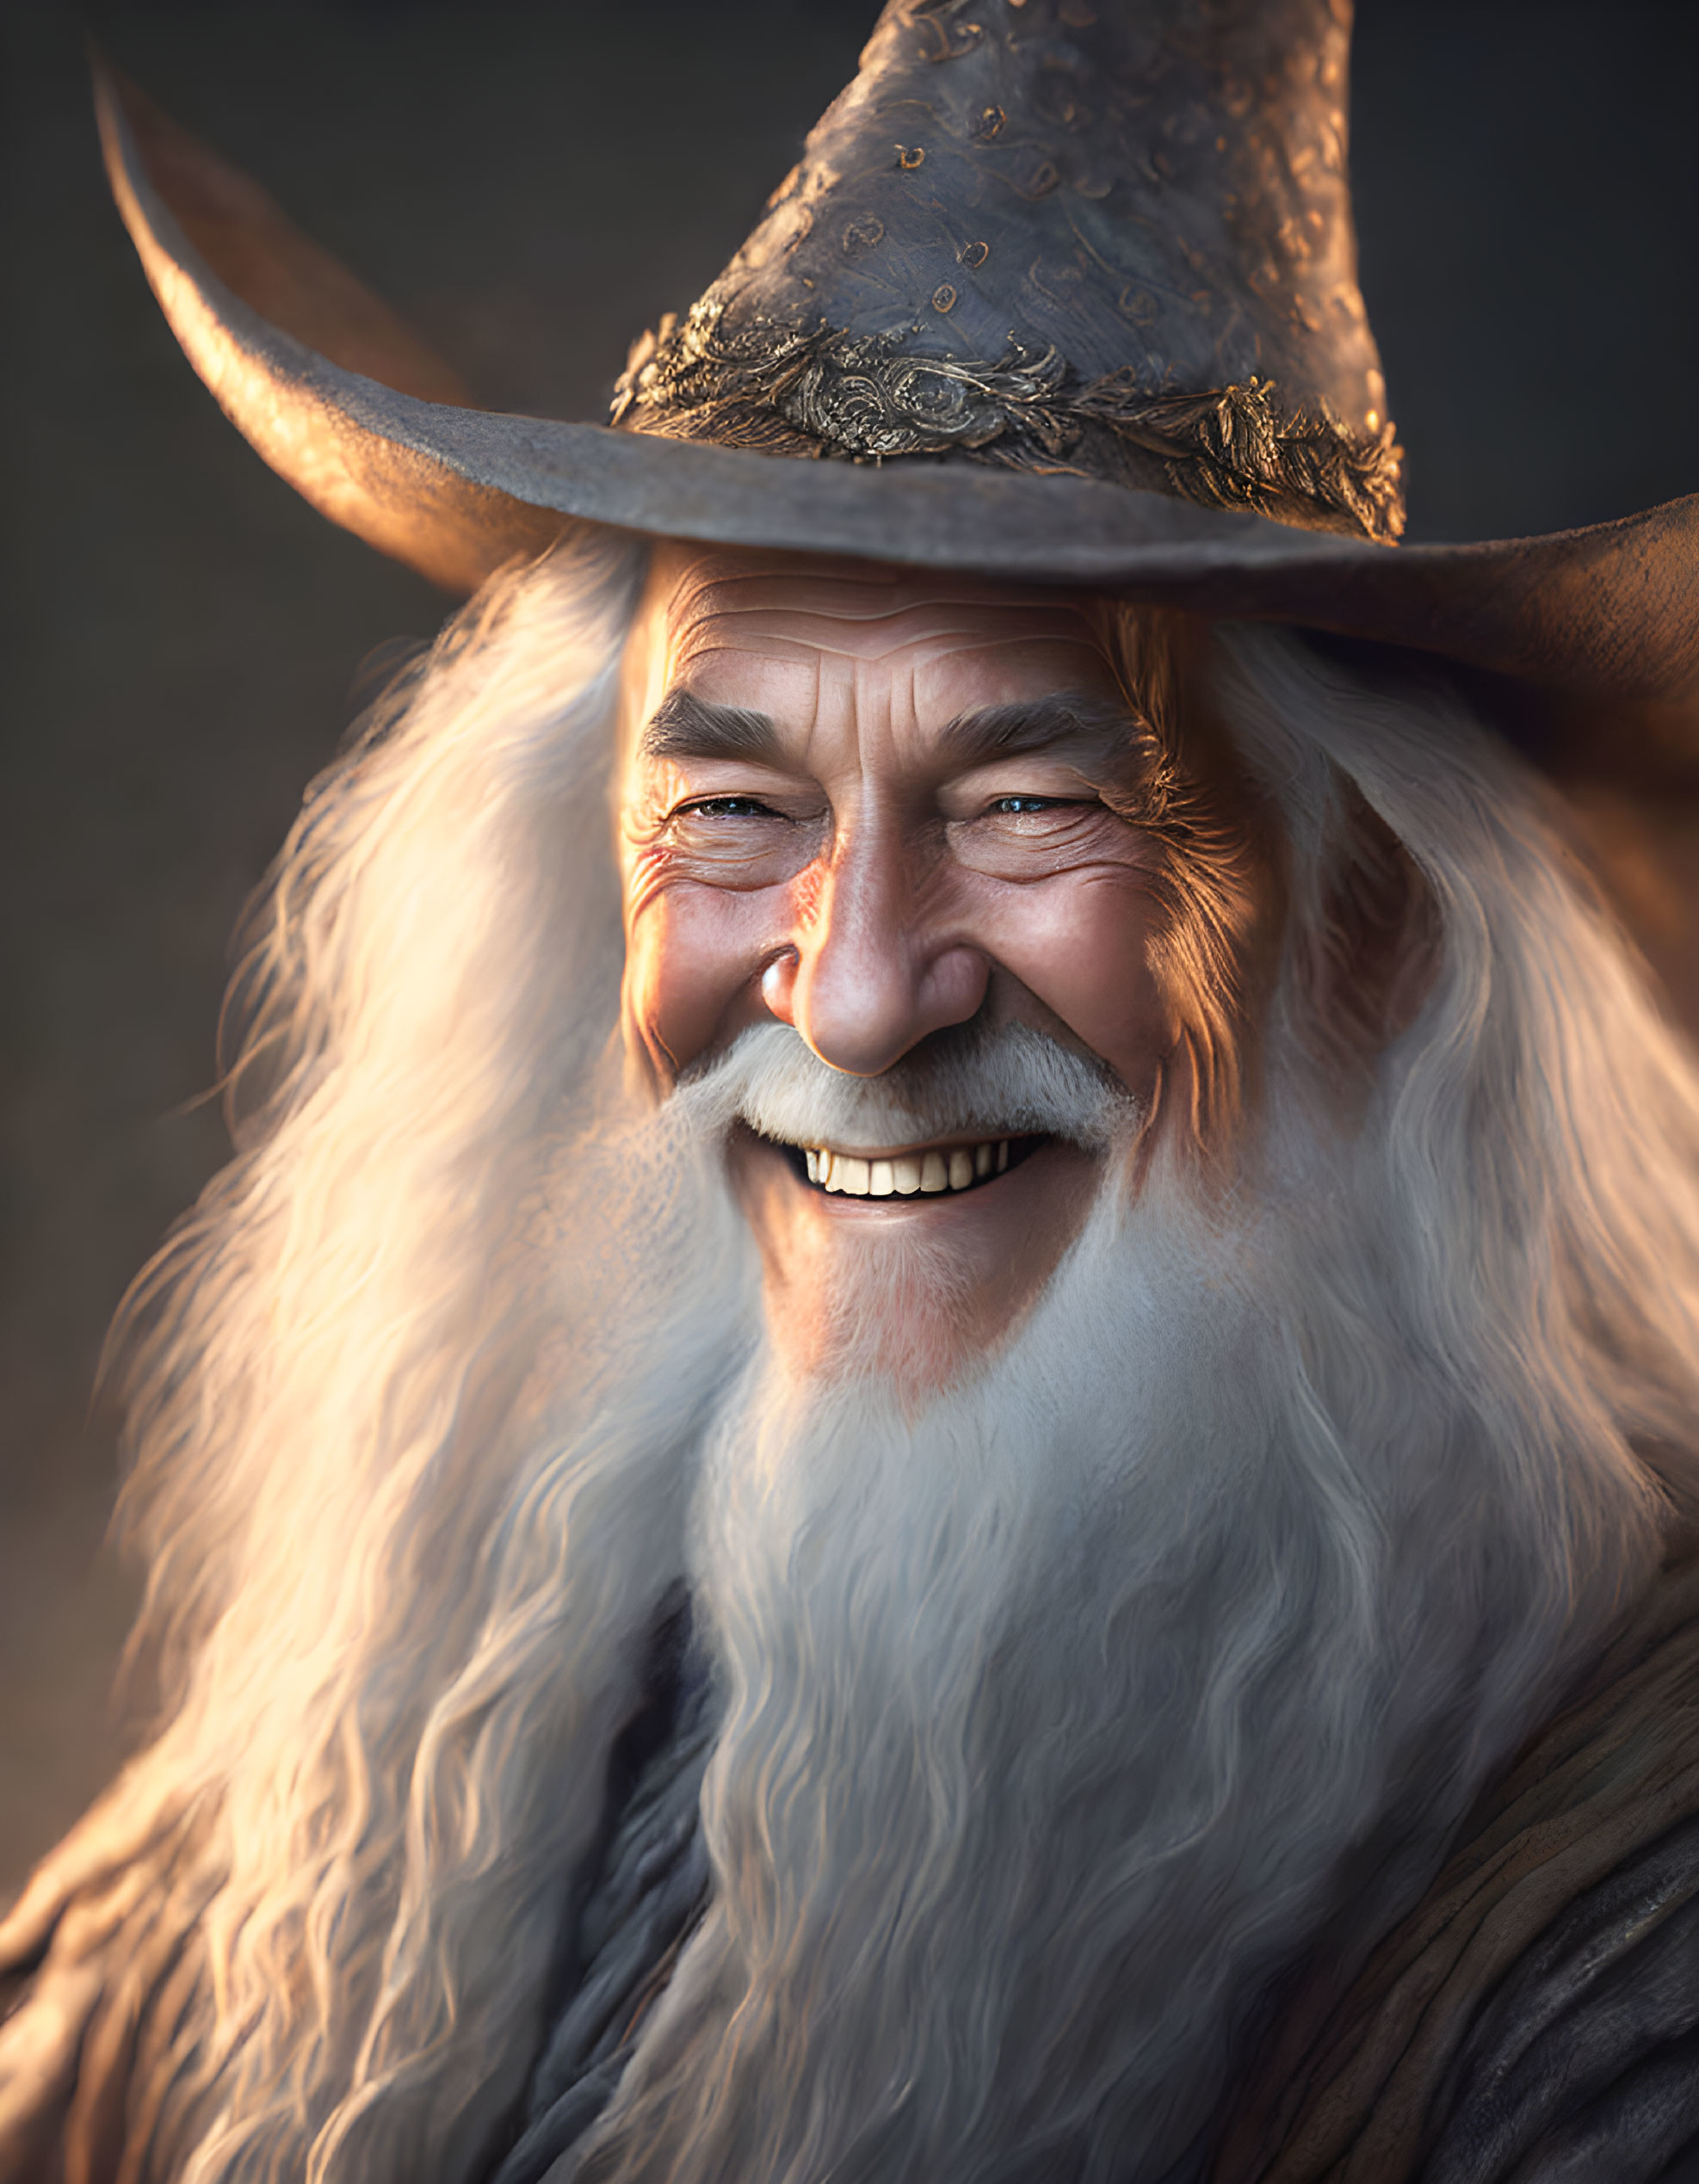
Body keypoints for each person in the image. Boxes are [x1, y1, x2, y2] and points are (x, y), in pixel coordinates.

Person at [4, 3, 1699, 2181]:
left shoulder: (1629, 1976)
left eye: (1031, 803)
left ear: (1380, 944)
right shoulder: (400, 1759)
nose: (866, 993)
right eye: (732, 809)